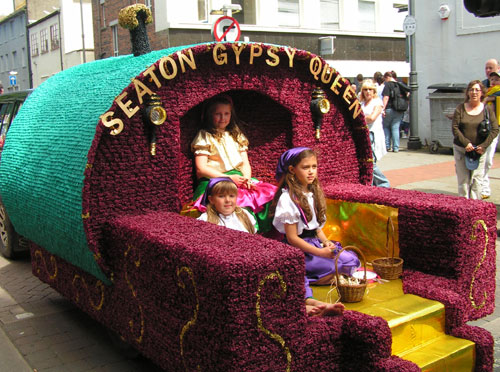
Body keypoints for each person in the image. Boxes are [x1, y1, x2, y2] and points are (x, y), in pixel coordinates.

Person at [199, 176, 340, 317]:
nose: (228, 200)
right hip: (231, 264)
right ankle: (299, 309)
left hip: (250, 257)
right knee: (265, 286)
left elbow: (255, 240)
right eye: (221, 196)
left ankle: (310, 300)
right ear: (211, 199)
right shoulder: (206, 220)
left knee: (286, 270)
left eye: (231, 196)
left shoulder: (244, 215)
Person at [271, 147, 360, 314]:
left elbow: (317, 228)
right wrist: (320, 253)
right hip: (300, 248)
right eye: (305, 168)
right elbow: (292, 238)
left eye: (314, 167)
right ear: (292, 170)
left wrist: (325, 241)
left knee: (350, 260)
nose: (311, 172)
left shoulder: (313, 191)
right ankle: (313, 293)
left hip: (316, 244)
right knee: (305, 272)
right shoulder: (288, 198)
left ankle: (321, 277)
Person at [190, 94, 277, 232]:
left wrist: (247, 179)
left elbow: (244, 163)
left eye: (226, 114)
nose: (223, 118)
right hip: (214, 180)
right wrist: (229, 178)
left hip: (239, 177)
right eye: (218, 114)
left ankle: (265, 234)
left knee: (269, 193)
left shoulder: (236, 136)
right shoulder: (204, 136)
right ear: (209, 115)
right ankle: (245, 233)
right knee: (240, 199)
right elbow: (201, 169)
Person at [451, 80, 499, 199]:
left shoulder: (487, 110)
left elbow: (495, 129)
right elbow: (455, 128)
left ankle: (474, 208)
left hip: (479, 151)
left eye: (477, 90)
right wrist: (466, 143)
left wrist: (483, 146)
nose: (474, 92)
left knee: (477, 181)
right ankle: (463, 207)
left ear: (482, 93)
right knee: (463, 181)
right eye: (471, 90)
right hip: (461, 149)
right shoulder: (460, 109)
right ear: (467, 93)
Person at [359, 79, 390, 187]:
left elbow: (372, 118)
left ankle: (384, 183)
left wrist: (359, 118)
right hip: (364, 134)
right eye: (365, 89)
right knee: (366, 161)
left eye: (370, 89)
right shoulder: (362, 103)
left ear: (374, 91)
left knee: (371, 162)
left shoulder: (377, 103)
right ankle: (371, 185)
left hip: (373, 134)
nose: (368, 92)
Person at [480, 71, 500, 199]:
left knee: (488, 160)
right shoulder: (485, 91)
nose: (493, 81)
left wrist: (490, 98)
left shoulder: (495, 93)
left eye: (496, 79)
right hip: (486, 128)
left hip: (495, 128)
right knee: (485, 159)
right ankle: (483, 187)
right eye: (492, 79)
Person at [381, 71, 406, 152]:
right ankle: (396, 147)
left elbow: (386, 97)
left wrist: (383, 108)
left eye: (385, 79)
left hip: (389, 108)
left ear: (387, 77)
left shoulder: (388, 85)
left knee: (386, 127)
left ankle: (387, 146)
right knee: (395, 128)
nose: (385, 81)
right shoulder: (400, 85)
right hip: (399, 109)